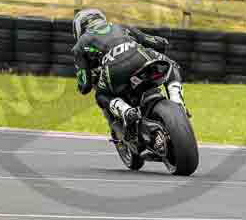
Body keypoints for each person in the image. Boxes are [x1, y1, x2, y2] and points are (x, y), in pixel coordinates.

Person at [71, 8, 188, 142]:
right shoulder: (120, 26)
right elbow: (152, 41)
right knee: (170, 65)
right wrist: (162, 42)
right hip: (141, 57)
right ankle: (177, 101)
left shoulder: (80, 45)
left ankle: (126, 111)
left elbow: (84, 84)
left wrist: (83, 85)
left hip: (115, 70)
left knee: (102, 95)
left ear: (78, 29)